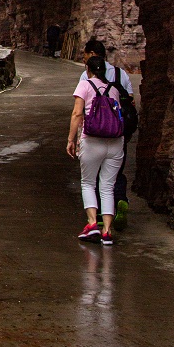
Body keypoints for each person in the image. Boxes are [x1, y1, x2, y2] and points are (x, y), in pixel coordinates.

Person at [67, 53, 125, 246]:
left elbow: (77, 113)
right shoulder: (113, 89)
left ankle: (92, 224)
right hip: (115, 141)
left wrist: (71, 139)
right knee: (107, 186)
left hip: (92, 140)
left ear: (88, 70)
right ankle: (107, 232)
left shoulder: (85, 85)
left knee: (88, 183)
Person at [79, 37, 135, 228]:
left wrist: (75, 137)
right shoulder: (121, 74)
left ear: (92, 54)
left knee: (93, 178)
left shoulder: (86, 77)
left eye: (85, 55)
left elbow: (80, 108)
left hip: (94, 134)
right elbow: (130, 101)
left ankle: (97, 216)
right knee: (114, 174)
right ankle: (120, 202)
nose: (84, 59)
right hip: (117, 132)